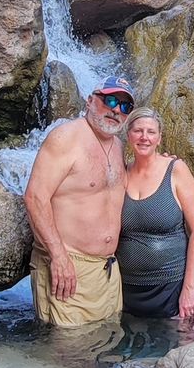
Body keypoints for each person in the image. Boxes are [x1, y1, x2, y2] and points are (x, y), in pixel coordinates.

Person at [23, 76, 135, 326]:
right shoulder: (65, 138)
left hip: (107, 272)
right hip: (68, 269)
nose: (116, 110)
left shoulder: (118, 146)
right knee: (68, 348)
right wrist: (59, 257)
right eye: (110, 101)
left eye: (125, 106)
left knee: (106, 342)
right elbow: (34, 197)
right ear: (90, 100)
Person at [118, 108, 194, 319]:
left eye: (151, 132)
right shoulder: (121, 173)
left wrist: (189, 289)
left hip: (169, 288)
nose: (144, 137)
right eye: (138, 131)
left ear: (159, 138)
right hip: (125, 288)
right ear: (129, 135)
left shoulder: (176, 170)